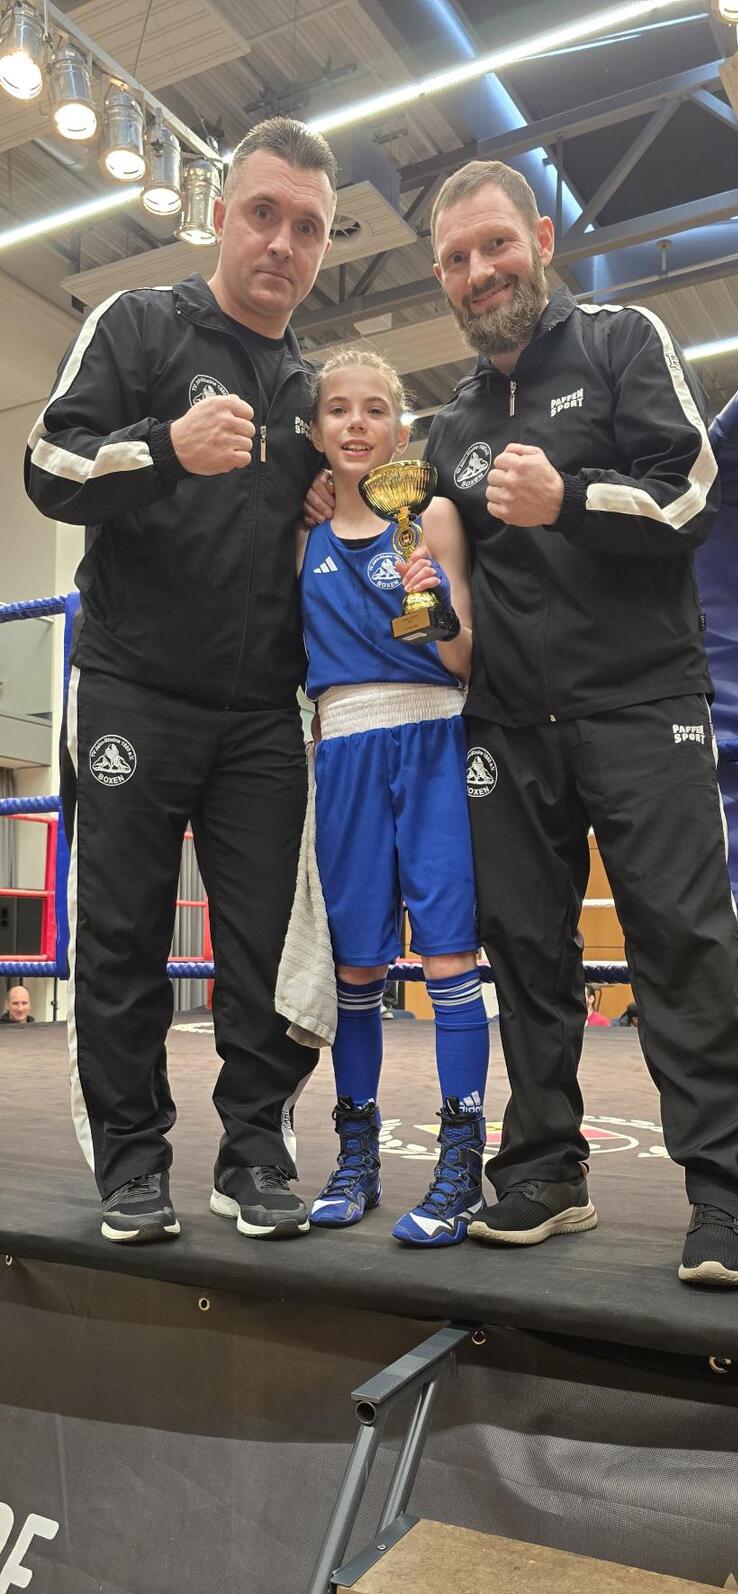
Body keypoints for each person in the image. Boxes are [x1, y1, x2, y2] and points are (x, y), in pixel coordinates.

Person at [421, 159, 738, 1287]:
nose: (479, 272)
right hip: (505, 721)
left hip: (640, 700)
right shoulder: (452, 422)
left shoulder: (624, 341)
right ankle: (544, 1171)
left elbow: (692, 496)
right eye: (455, 260)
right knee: (526, 952)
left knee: (680, 942)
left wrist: (568, 498)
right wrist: (422, 591)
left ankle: (725, 1193)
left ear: (540, 238)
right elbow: (450, 576)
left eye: (494, 244)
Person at [24, 117, 339, 1247]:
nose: (282, 243)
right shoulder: (140, 325)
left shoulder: (313, 389)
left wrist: (333, 502)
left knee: (262, 947)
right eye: (263, 214)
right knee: (121, 936)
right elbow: (48, 465)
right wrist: (164, 445)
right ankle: (131, 1160)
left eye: (308, 227)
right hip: (132, 687)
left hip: (263, 712)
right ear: (218, 214)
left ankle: (254, 1154)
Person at [301, 347, 490, 1246]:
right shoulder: (302, 535)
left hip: (432, 737)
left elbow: (463, 657)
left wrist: (439, 605)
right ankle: (356, 1157)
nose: (356, 423)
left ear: (402, 429)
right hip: (342, 749)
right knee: (355, 968)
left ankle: (461, 1166)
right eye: (338, 409)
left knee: (448, 956)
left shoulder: (433, 515)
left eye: (374, 408)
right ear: (315, 431)